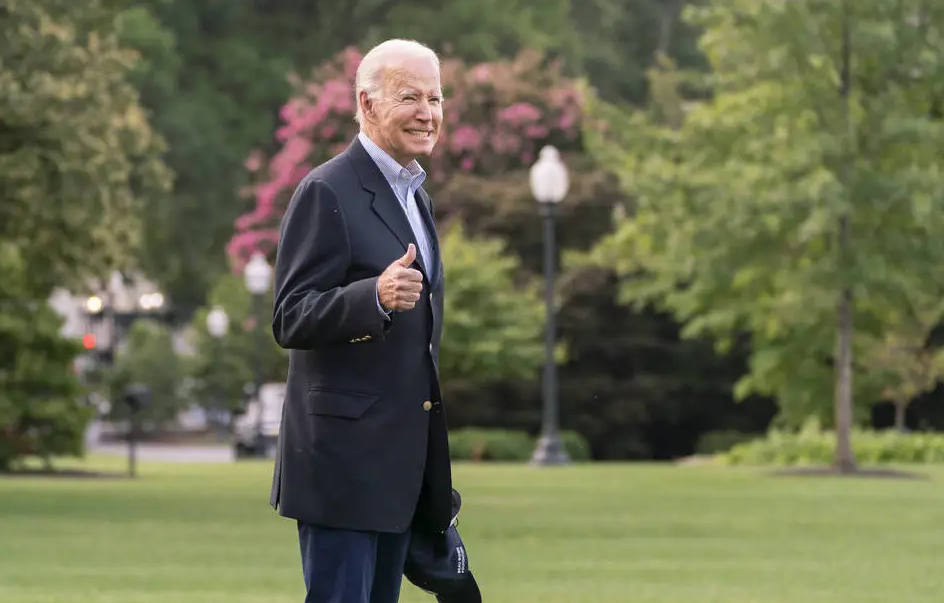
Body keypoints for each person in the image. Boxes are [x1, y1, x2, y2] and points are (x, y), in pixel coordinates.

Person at [268, 38, 453, 603]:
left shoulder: (415, 197)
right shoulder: (326, 189)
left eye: (436, 98)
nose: (427, 112)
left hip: (398, 469)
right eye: (409, 97)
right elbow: (290, 316)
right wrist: (371, 296)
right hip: (342, 467)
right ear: (367, 105)